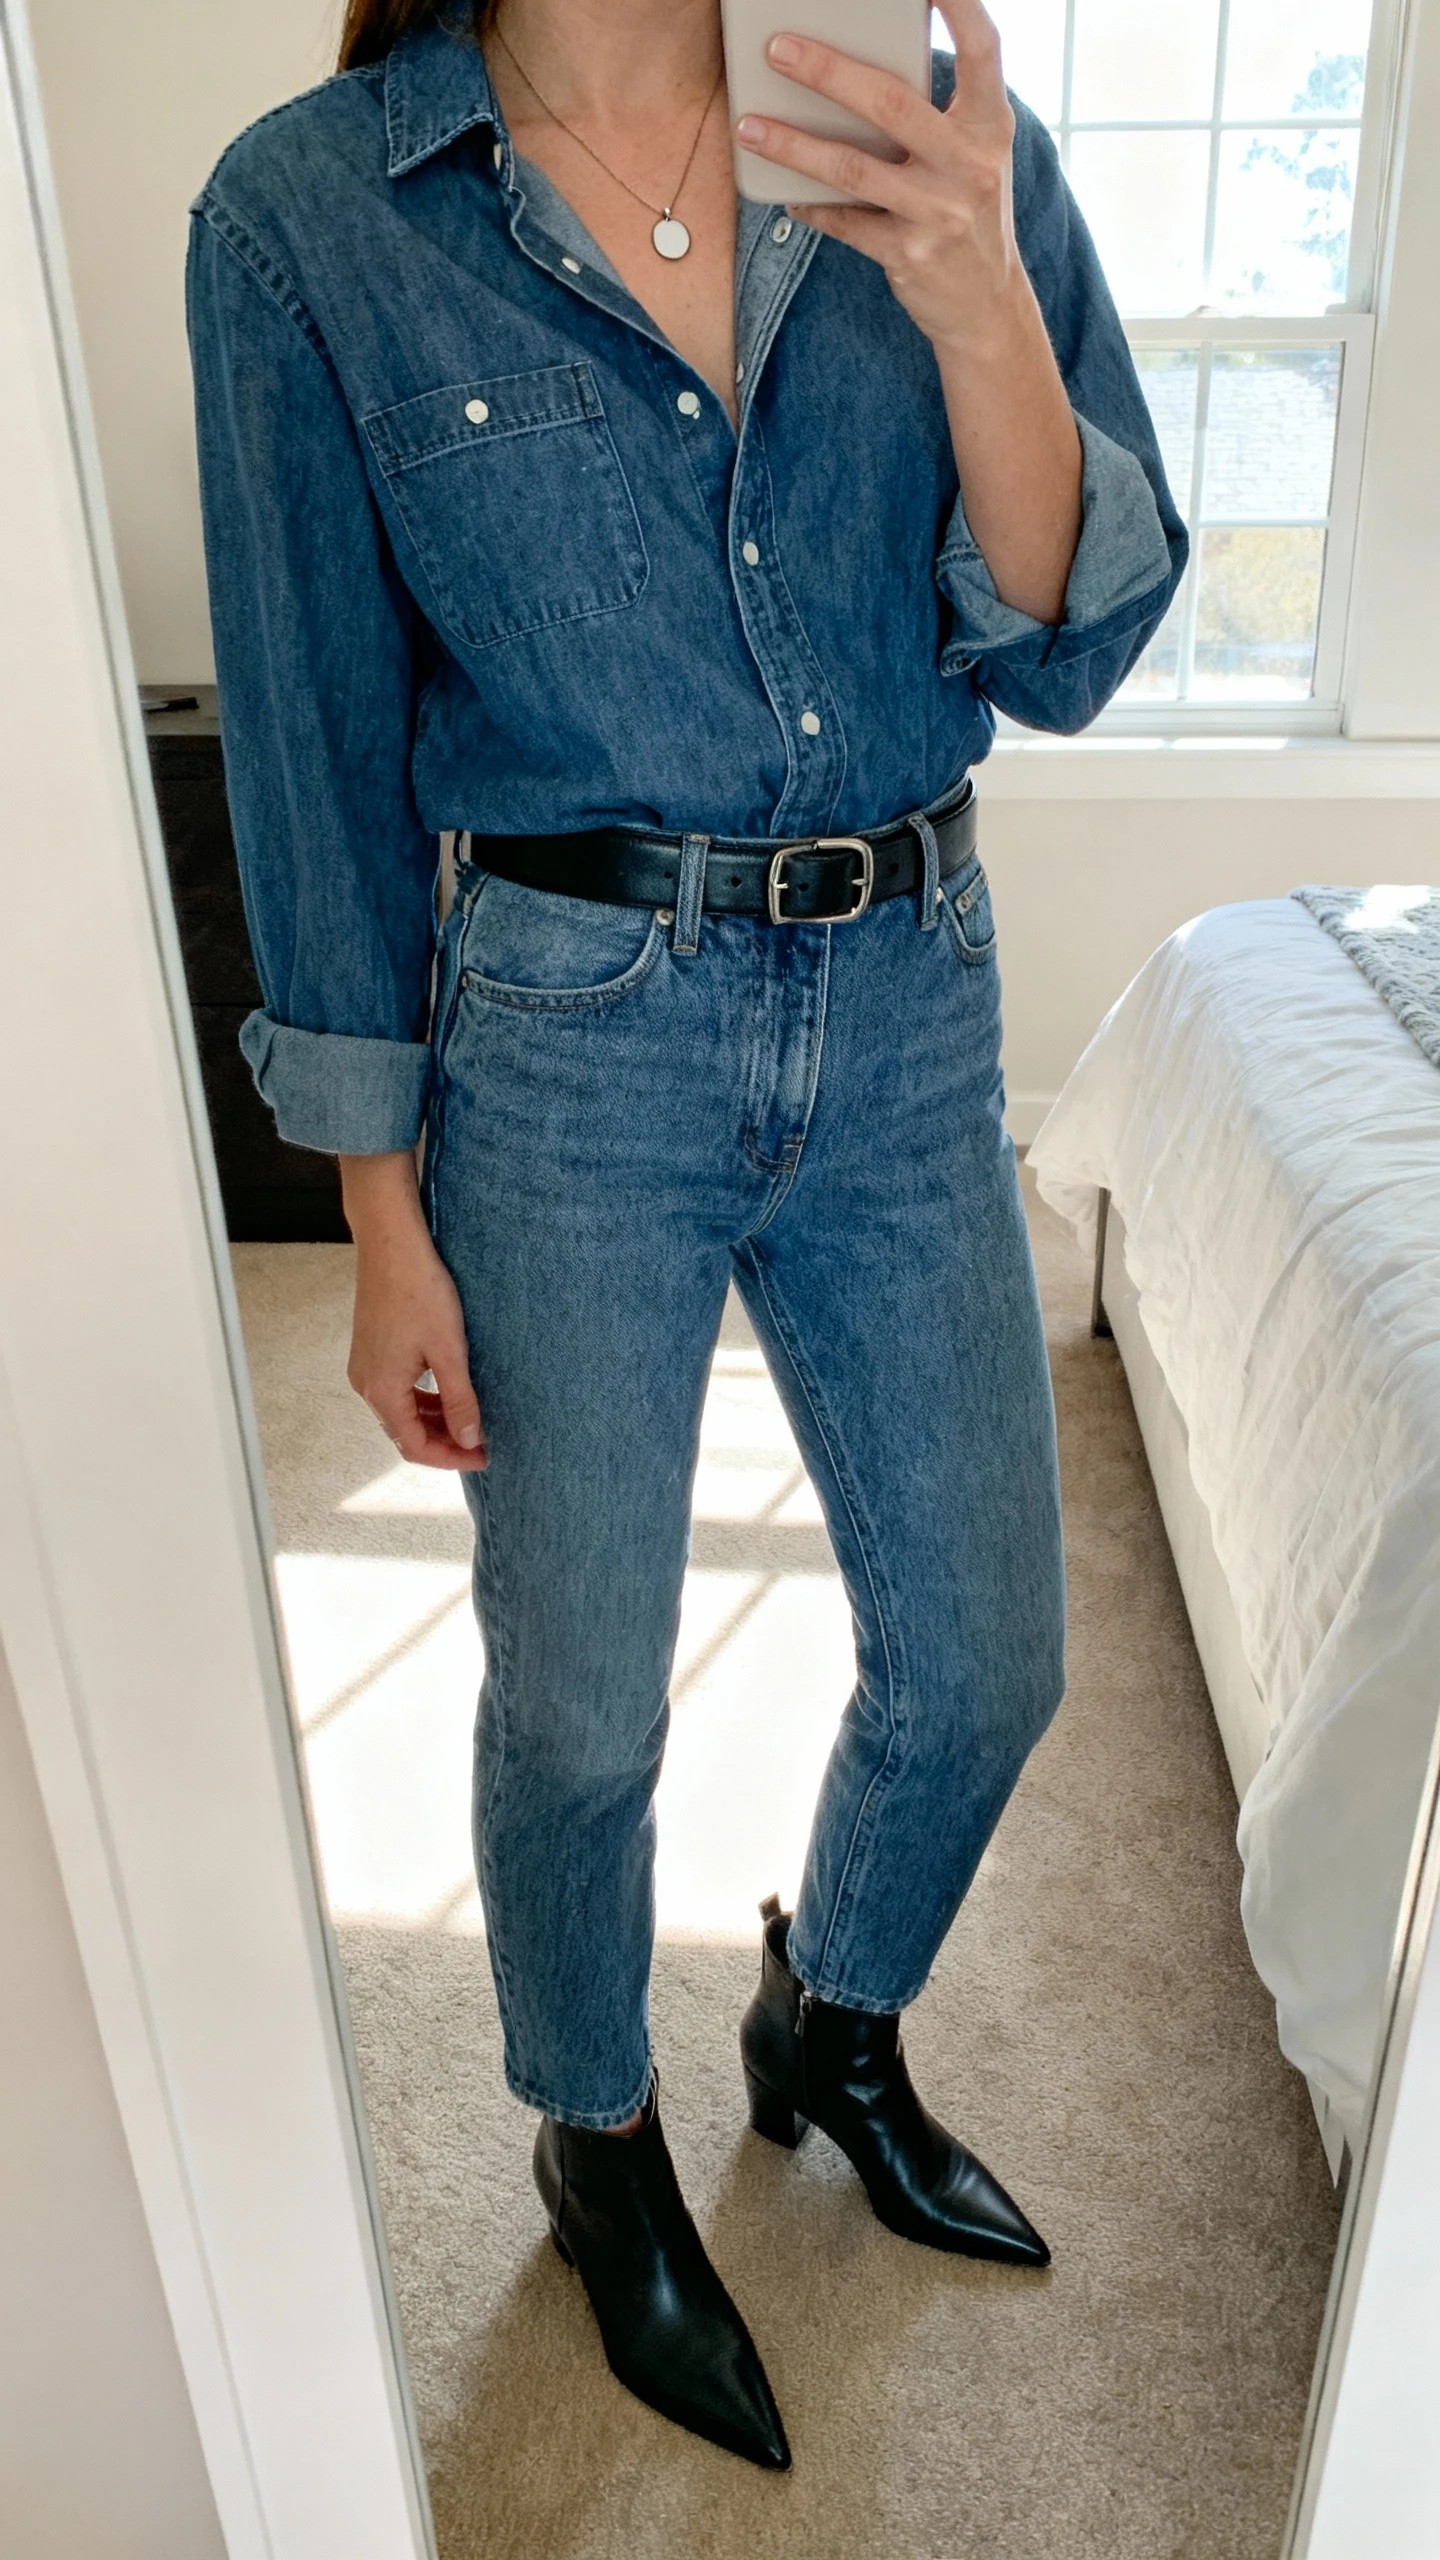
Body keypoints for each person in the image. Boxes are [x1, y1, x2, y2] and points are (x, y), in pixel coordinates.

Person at [187, 0, 1186, 2472]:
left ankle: (827, 2017)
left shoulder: (919, 119)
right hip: (565, 1039)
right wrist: (376, 1208)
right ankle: (593, 2131)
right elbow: (311, 745)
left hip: (913, 994)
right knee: (582, 1703)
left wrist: (977, 289)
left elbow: (1066, 636)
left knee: (988, 1657)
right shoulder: (311, 215)